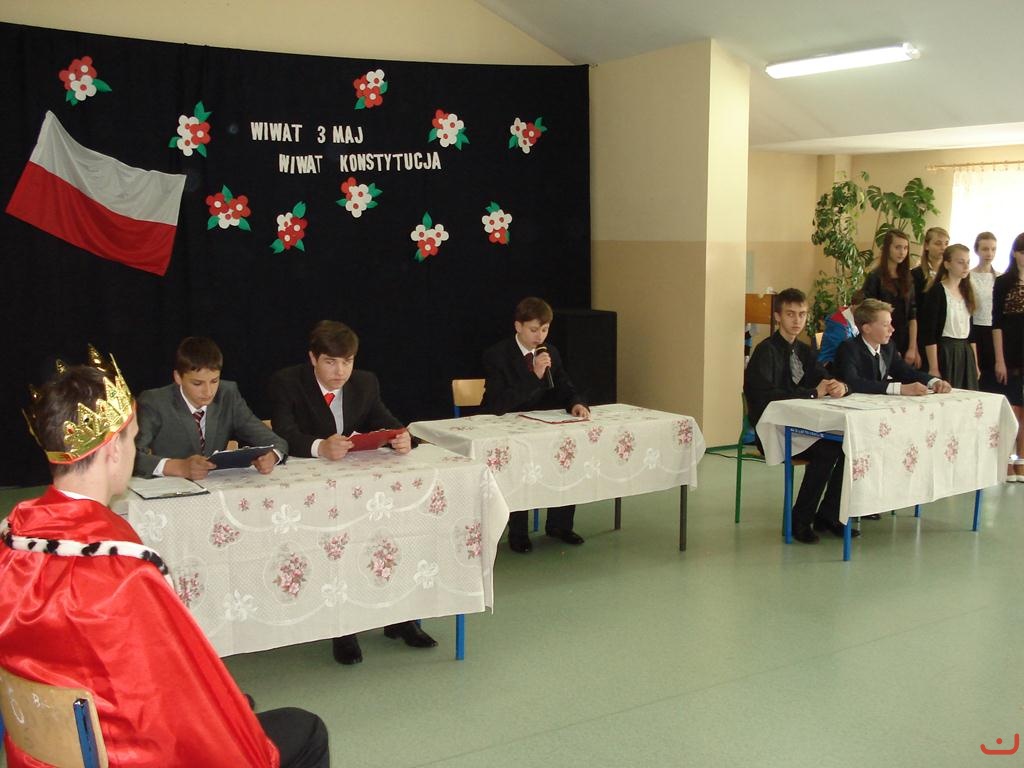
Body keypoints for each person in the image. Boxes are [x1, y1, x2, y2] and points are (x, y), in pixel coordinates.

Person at [0, 349, 328, 767]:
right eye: (132, 438)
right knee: (304, 729)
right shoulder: (122, 569)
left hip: (43, 751)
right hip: (124, 754)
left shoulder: (13, 539)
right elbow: (168, 705)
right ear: (113, 449)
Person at [268, 320, 436, 664]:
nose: (340, 371)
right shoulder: (286, 382)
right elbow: (283, 434)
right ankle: (342, 627)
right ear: (313, 358)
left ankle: (399, 617)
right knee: (338, 546)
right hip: (310, 491)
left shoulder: (365, 382)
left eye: (347, 362)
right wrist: (319, 446)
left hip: (360, 487)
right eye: (330, 362)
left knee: (394, 534)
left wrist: (403, 438)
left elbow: (387, 422)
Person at [743, 288, 853, 544]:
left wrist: (838, 386)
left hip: (803, 426)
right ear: (778, 316)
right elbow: (767, 396)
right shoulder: (765, 351)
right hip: (773, 430)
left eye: (802, 314)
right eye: (790, 314)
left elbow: (823, 377)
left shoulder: (804, 351)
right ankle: (800, 520)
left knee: (847, 446)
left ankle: (829, 515)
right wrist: (812, 393)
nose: (797, 320)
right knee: (827, 450)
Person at [481, 297, 591, 553]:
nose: (539, 336)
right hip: (505, 424)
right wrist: (534, 376)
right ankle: (518, 532)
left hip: (541, 424)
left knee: (566, 455)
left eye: (545, 329)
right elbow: (498, 404)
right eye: (533, 330)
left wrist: (576, 402)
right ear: (518, 326)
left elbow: (564, 385)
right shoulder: (497, 355)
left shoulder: (550, 352)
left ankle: (560, 525)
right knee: (518, 466)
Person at [135, 336, 287, 479]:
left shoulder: (227, 395)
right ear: (178, 378)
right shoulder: (155, 402)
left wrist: (273, 456)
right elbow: (132, 456)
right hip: (170, 488)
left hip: (216, 488)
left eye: (214, 381)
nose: (208, 392)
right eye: (197, 383)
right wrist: (178, 467)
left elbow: (276, 442)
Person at [835, 298, 952, 396]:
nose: (892, 329)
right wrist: (899, 389)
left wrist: (933, 381)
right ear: (867, 328)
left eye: (890, 323)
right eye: (885, 325)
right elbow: (853, 382)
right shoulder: (848, 348)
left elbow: (904, 371)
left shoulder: (888, 347)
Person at [920, 244, 980, 389]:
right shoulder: (937, 292)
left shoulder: (967, 292)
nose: (965, 266)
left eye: (968, 262)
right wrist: (933, 367)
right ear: (947, 264)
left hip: (964, 351)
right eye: (960, 262)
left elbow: (971, 334)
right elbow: (929, 333)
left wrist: (975, 364)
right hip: (945, 351)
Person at [862, 230, 920, 367]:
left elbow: (912, 316)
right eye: (897, 247)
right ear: (887, 248)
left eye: (905, 248)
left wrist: (913, 347)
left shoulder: (908, 278)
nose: (902, 252)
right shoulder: (875, 277)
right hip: (882, 338)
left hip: (905, 339)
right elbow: (869, 314)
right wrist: (889, 348)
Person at [993, 233, 1024, 481]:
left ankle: (1021, 460)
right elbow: (997, 323)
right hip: (1010, 351)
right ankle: (1006, 461)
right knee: (1012, 410)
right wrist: (999, 359)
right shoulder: (1003, 282)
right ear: (1015, 253)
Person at [911, 226, 950, 368]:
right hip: (923, 337)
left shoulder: (950, 275)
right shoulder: (916, 275)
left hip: (944, 338)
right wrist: (914, 348)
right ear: (927, 246)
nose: (943, 248)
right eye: (938, 243)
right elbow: (913, 313)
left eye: (946, 243)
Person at [971, 232, 1000, 393]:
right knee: (976, 375)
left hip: (993, 330)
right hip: (975, 329)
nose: (989, 253)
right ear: (977, 250)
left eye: (993, 249)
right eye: (985, 249)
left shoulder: (999, 277)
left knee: (992, 377)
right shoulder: (969, 276)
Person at [816, 290, 864, 370]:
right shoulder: (838, 324)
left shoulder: (856, 318)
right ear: (854, 305)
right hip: (830, 367)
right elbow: (846, 353)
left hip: (847, 364)